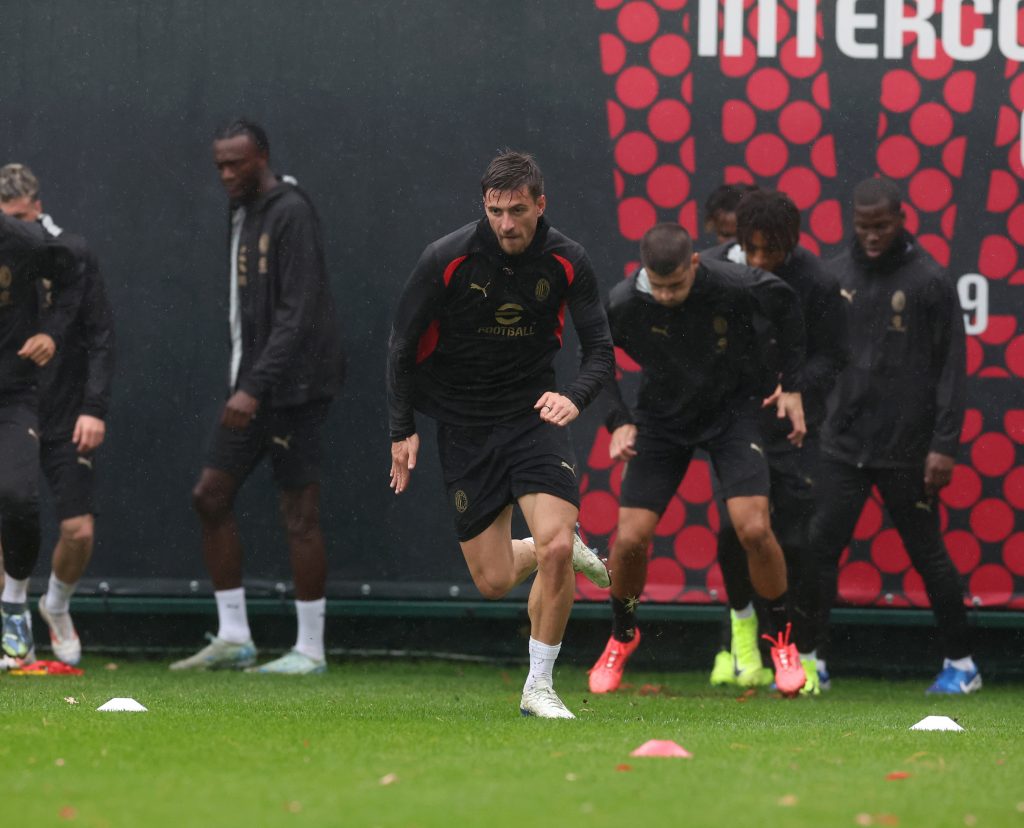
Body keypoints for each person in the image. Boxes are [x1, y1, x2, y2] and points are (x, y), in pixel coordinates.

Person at [387, 150, 615, 719]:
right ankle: (548, 548)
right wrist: (402, 428)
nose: (506, 224)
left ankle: (539, 685)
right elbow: (400, 346)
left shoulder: (567, 260)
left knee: (556, 545)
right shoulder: (446, 258)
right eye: (495, 211)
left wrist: (573, 396)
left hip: (533, 418)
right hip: (464, 426)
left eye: (517, 210)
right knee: (491, 581)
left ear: (542, 204)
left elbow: (601, 352)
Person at [587, 222, 809, 696]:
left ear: (694, 264)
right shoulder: (625, 302)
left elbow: (790, 306)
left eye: (677, 285)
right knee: (629, 539)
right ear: (643, 271)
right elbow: (597, 359)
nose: (666, 296)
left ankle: (782, 640)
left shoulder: (736, 282)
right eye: (658, 285)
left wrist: (790, 384)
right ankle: (622, 635)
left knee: (753, 529)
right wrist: (618, 420)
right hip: (663, 419)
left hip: (735, 414)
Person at [171, 119, 344, 675]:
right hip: (254, 385)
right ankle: (235, 637)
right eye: (218, 164)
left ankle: (310, 651)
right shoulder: (242, 209)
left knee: (300, 514)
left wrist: (252, 386)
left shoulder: (290, 210)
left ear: (261, 157)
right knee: (210, 495)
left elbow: (298, 314)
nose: (225, 174)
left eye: (235, 164)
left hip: (293, 392)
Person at [812, 177, 979, 694]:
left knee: (928, 553)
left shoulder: (929, 279)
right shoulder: (834, 273)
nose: (872, 236)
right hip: (842, 445)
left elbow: (953, 369)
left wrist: (943, 446)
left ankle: (962, 665)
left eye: (881, 225)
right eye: (863, 226)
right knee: (818, 549)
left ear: (901, 219)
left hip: (908, 448)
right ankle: (810, 660)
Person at [702, 191, 848, 694]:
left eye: (773, 251)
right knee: (737, 532)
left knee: (797, 544)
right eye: (752, 249)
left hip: (796, 428)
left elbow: (833, 357)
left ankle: (806, 657)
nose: (761, 260)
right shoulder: (712, 268)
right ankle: (741, 631)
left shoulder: (820, 282)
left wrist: (794, 387)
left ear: (794, 242)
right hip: (734, 425)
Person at [0, 164, 115, 667]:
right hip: (16, 403)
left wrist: (94, 406)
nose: (17, 226)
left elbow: (100, 334)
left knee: (76, 529)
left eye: (23, 217)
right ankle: (12, 627)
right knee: (10, 511)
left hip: (63, 414)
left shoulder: (59, 251)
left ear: (36, 211)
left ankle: (55, 606)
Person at [0, 204, 80, 664]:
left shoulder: (25, 241)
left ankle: (14, 602)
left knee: (16, 497)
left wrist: (51, 332)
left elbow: (73, 280)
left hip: (11, 394)